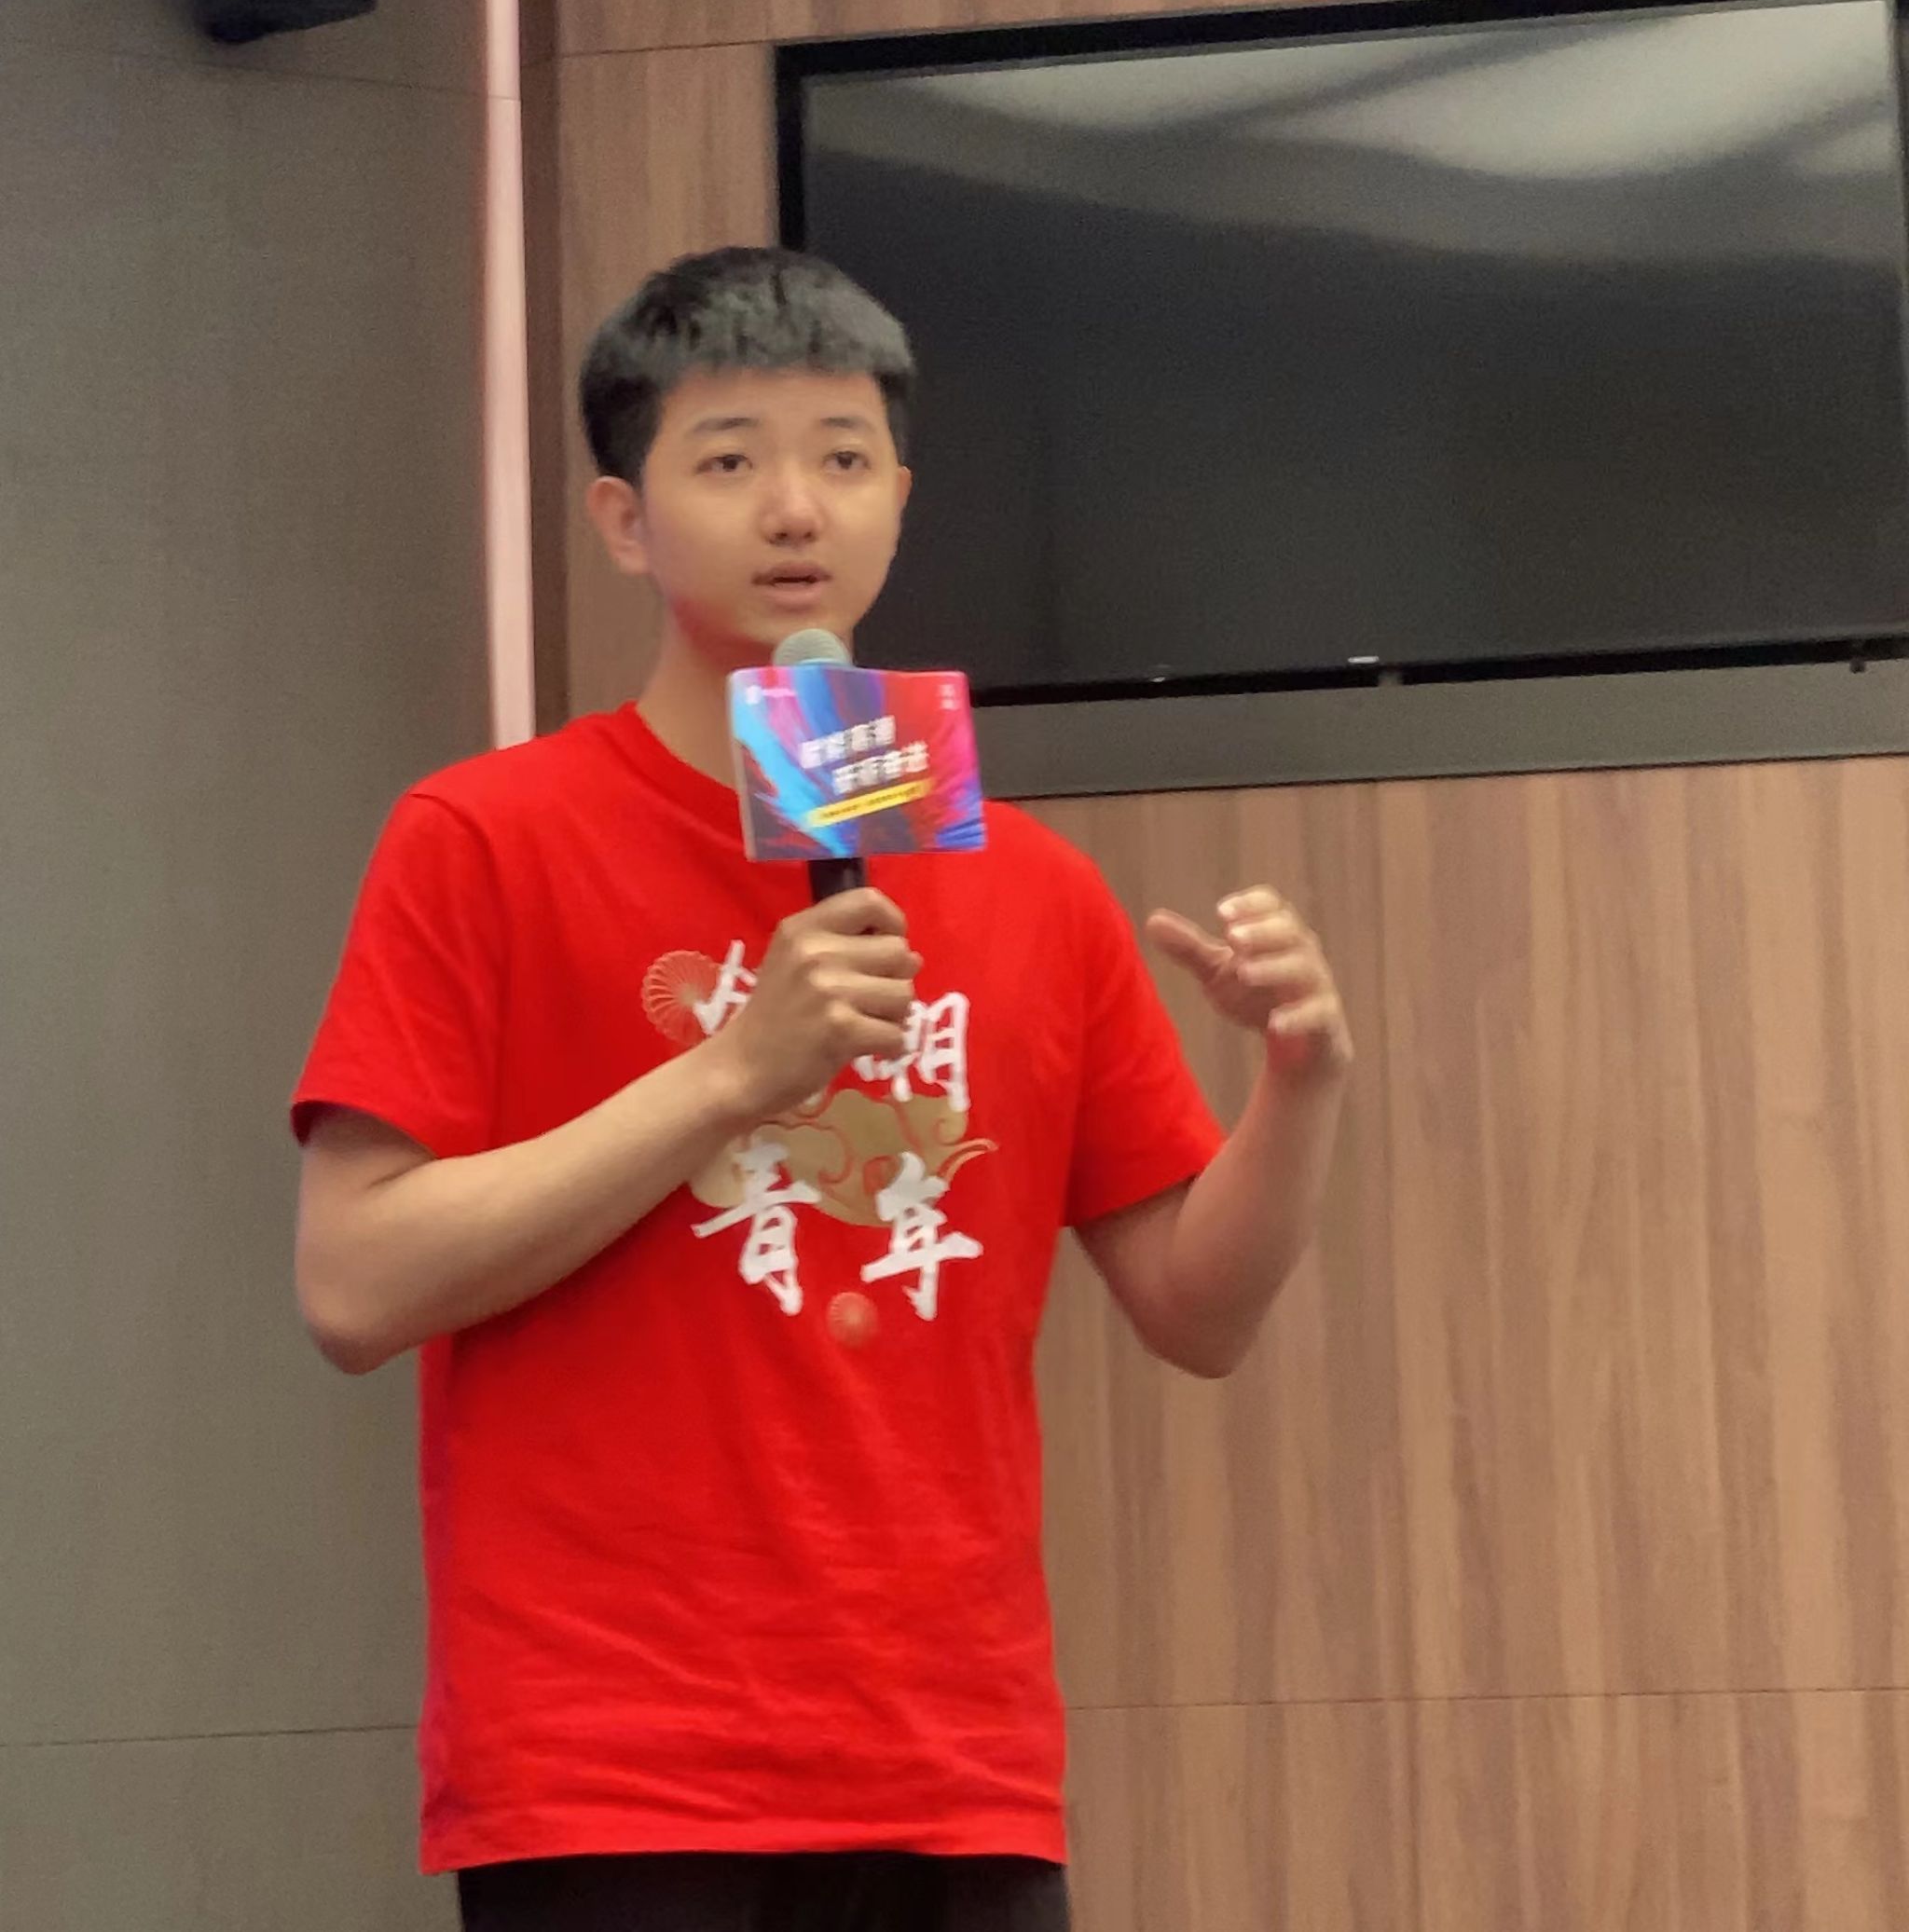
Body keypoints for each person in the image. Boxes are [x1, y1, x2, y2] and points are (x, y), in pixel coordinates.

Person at [293, 248, 1353, 1932]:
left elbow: (1195, 1309)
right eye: (729, 459)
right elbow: (354, 1284)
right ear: (624, 518)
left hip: (951, 1767)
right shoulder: (483, 839)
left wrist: (1299, 1085)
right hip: (612, 1768)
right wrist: (735, 1073)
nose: (796, 506)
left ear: (900, 502)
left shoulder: (1035, 888)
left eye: (844, 457)